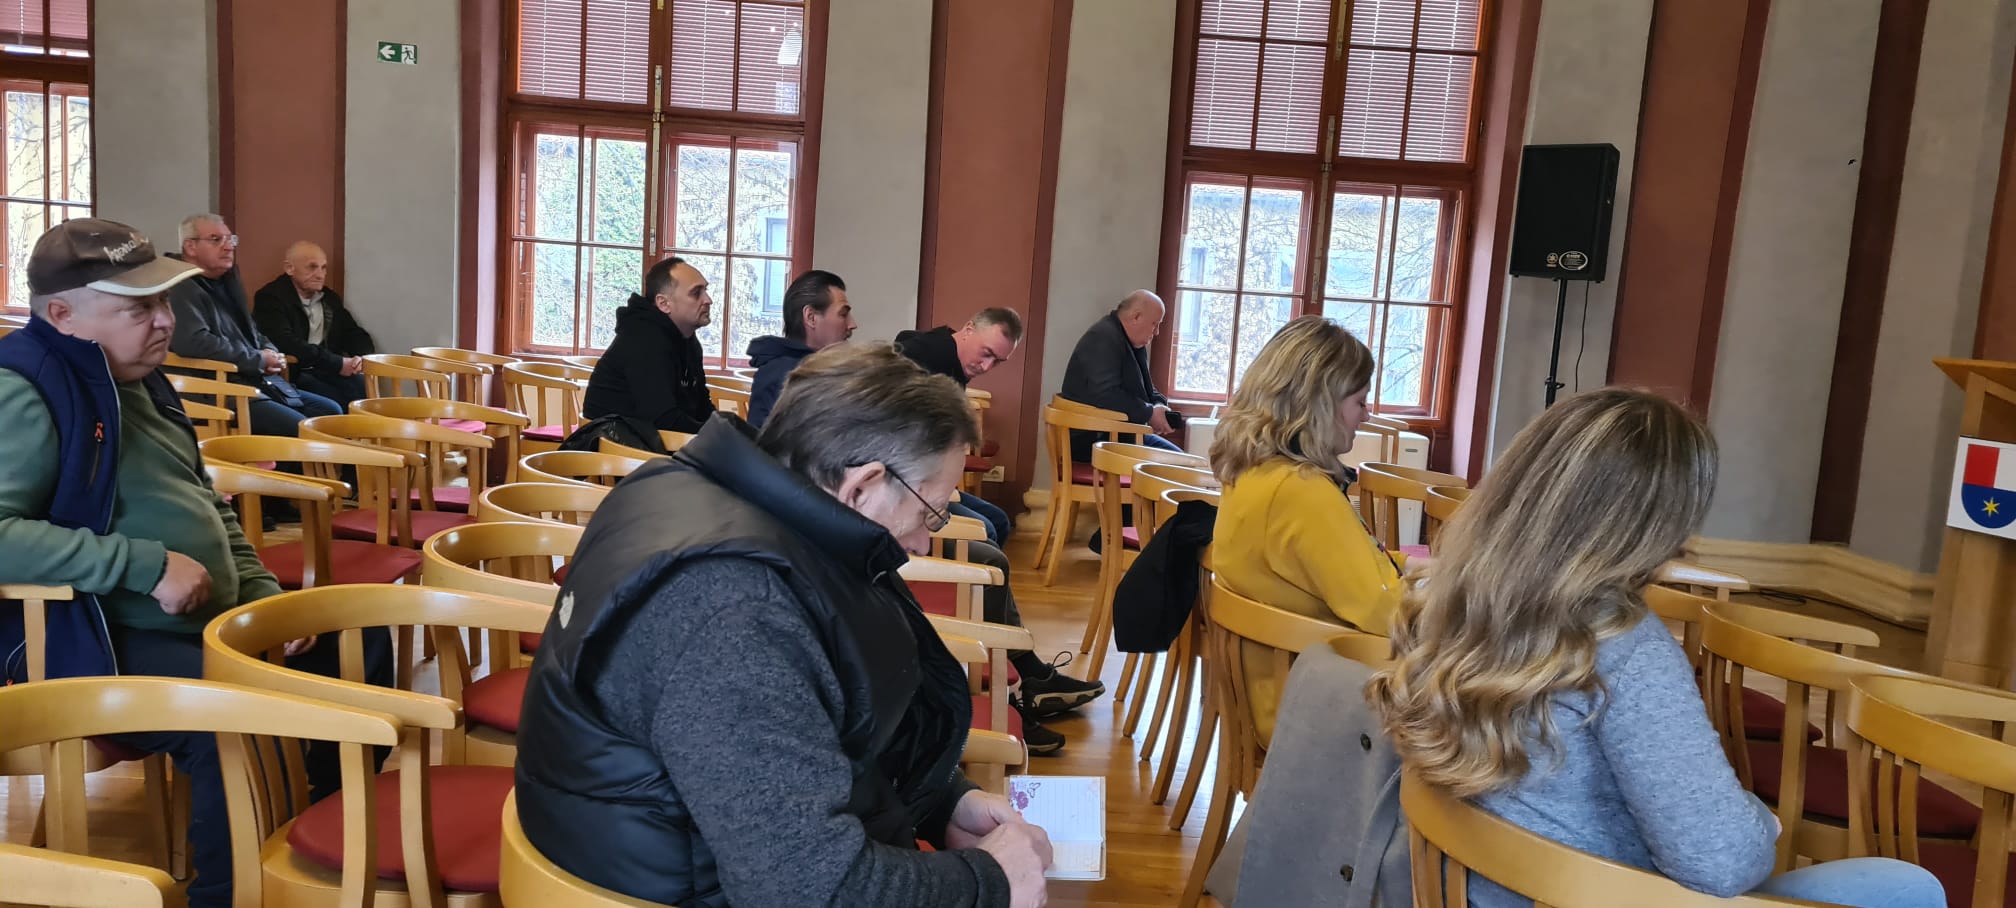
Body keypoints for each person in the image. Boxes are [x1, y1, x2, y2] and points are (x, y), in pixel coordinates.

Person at [515, 343, 1053, 908]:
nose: (921, 542)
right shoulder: (735, 608)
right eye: (929, 512)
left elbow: (811, 727)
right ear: (863, 485)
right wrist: (987, 882)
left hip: (693, 847)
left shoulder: (694, 488)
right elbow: (804, 888)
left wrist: (944, 800)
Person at [1364, 389, 1945, 908]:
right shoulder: (1620, 647)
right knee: (1903, 887)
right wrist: (1756, 821)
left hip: (1469, 886)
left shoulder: (1443, 600)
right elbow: (1719, 864)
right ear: (1654, 524)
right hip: (1584, 894)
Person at [0, 218, 392, 908]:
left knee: (356, 642)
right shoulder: (24, 388)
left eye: (163, 301)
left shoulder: (138, 380)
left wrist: (263, 594)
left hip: (192, 616)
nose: (165, 321)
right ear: (61, 315)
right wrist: (143, 565)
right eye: (139, 308)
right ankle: (231, 894)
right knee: (231, 716)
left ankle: (316, 849)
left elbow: (206, 506)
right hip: (85, 637)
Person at [1209, 316, 1403, 740]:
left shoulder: (1255, 471)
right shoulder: (1302, 491)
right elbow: (1387, 614)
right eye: (1360, 402)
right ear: (1321, 404)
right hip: (1313, 715)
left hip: (1270, 694)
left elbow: (1335, 566)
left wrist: (1420, 572)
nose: (1366, 415)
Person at [167, 213, 343, 438]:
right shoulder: (179, 286)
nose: (228, 247)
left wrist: (270, 351)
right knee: (302, 429)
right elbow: (193, 341)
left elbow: (251, 330)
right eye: (216, 239)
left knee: (329, 412)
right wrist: (257, 359)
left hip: (250, 379)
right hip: (214, 389)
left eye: (230, 239)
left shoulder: (226, 281)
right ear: (190, 247)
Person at [894, 308, 1021, 545]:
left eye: (997, 361)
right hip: (904, 490)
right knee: (987, 531)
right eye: (986, 353)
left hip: (925, 482)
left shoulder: (948, 360)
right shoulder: (921, 361)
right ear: (969, 329)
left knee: (999, 521)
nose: (986, 367)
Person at [585, 256, 717, 433]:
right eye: (696, 293)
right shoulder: (644, 340)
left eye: (705, 290)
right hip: (616, 445)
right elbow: (663, 419)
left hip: (652, 440)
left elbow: (701, 406)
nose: (708, 300)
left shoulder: (688, 340)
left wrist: (729, 431)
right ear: (663, 303)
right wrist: (718, 436)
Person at [1059, 290, 1183, 461]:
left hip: (1120, 435)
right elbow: (1106, 395)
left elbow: (1147, 390)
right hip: (1096, 441)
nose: (1157, 332)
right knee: (1180, 466)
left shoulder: (1132, 343)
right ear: (1136, 317)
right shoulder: (1102, 338)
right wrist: (1149, 413)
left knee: (1184, 463)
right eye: (1154, 324)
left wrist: (1159, 406)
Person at [251, 241, 375, 406]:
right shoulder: (270, 298)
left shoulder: (329, 298)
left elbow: (353, 333)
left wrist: (363, 358)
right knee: (335, 400)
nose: (320, 275)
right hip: (295, 371)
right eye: (312, 267)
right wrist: (337, 363)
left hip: (328, 367)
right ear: (289, 268)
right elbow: (286, 342)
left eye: (323, 268)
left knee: (364, 390)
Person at [745, 269, 853, 428]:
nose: (852, 324)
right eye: (843, 315)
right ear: (811, 317)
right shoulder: (790, 377)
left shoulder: (812, 370)